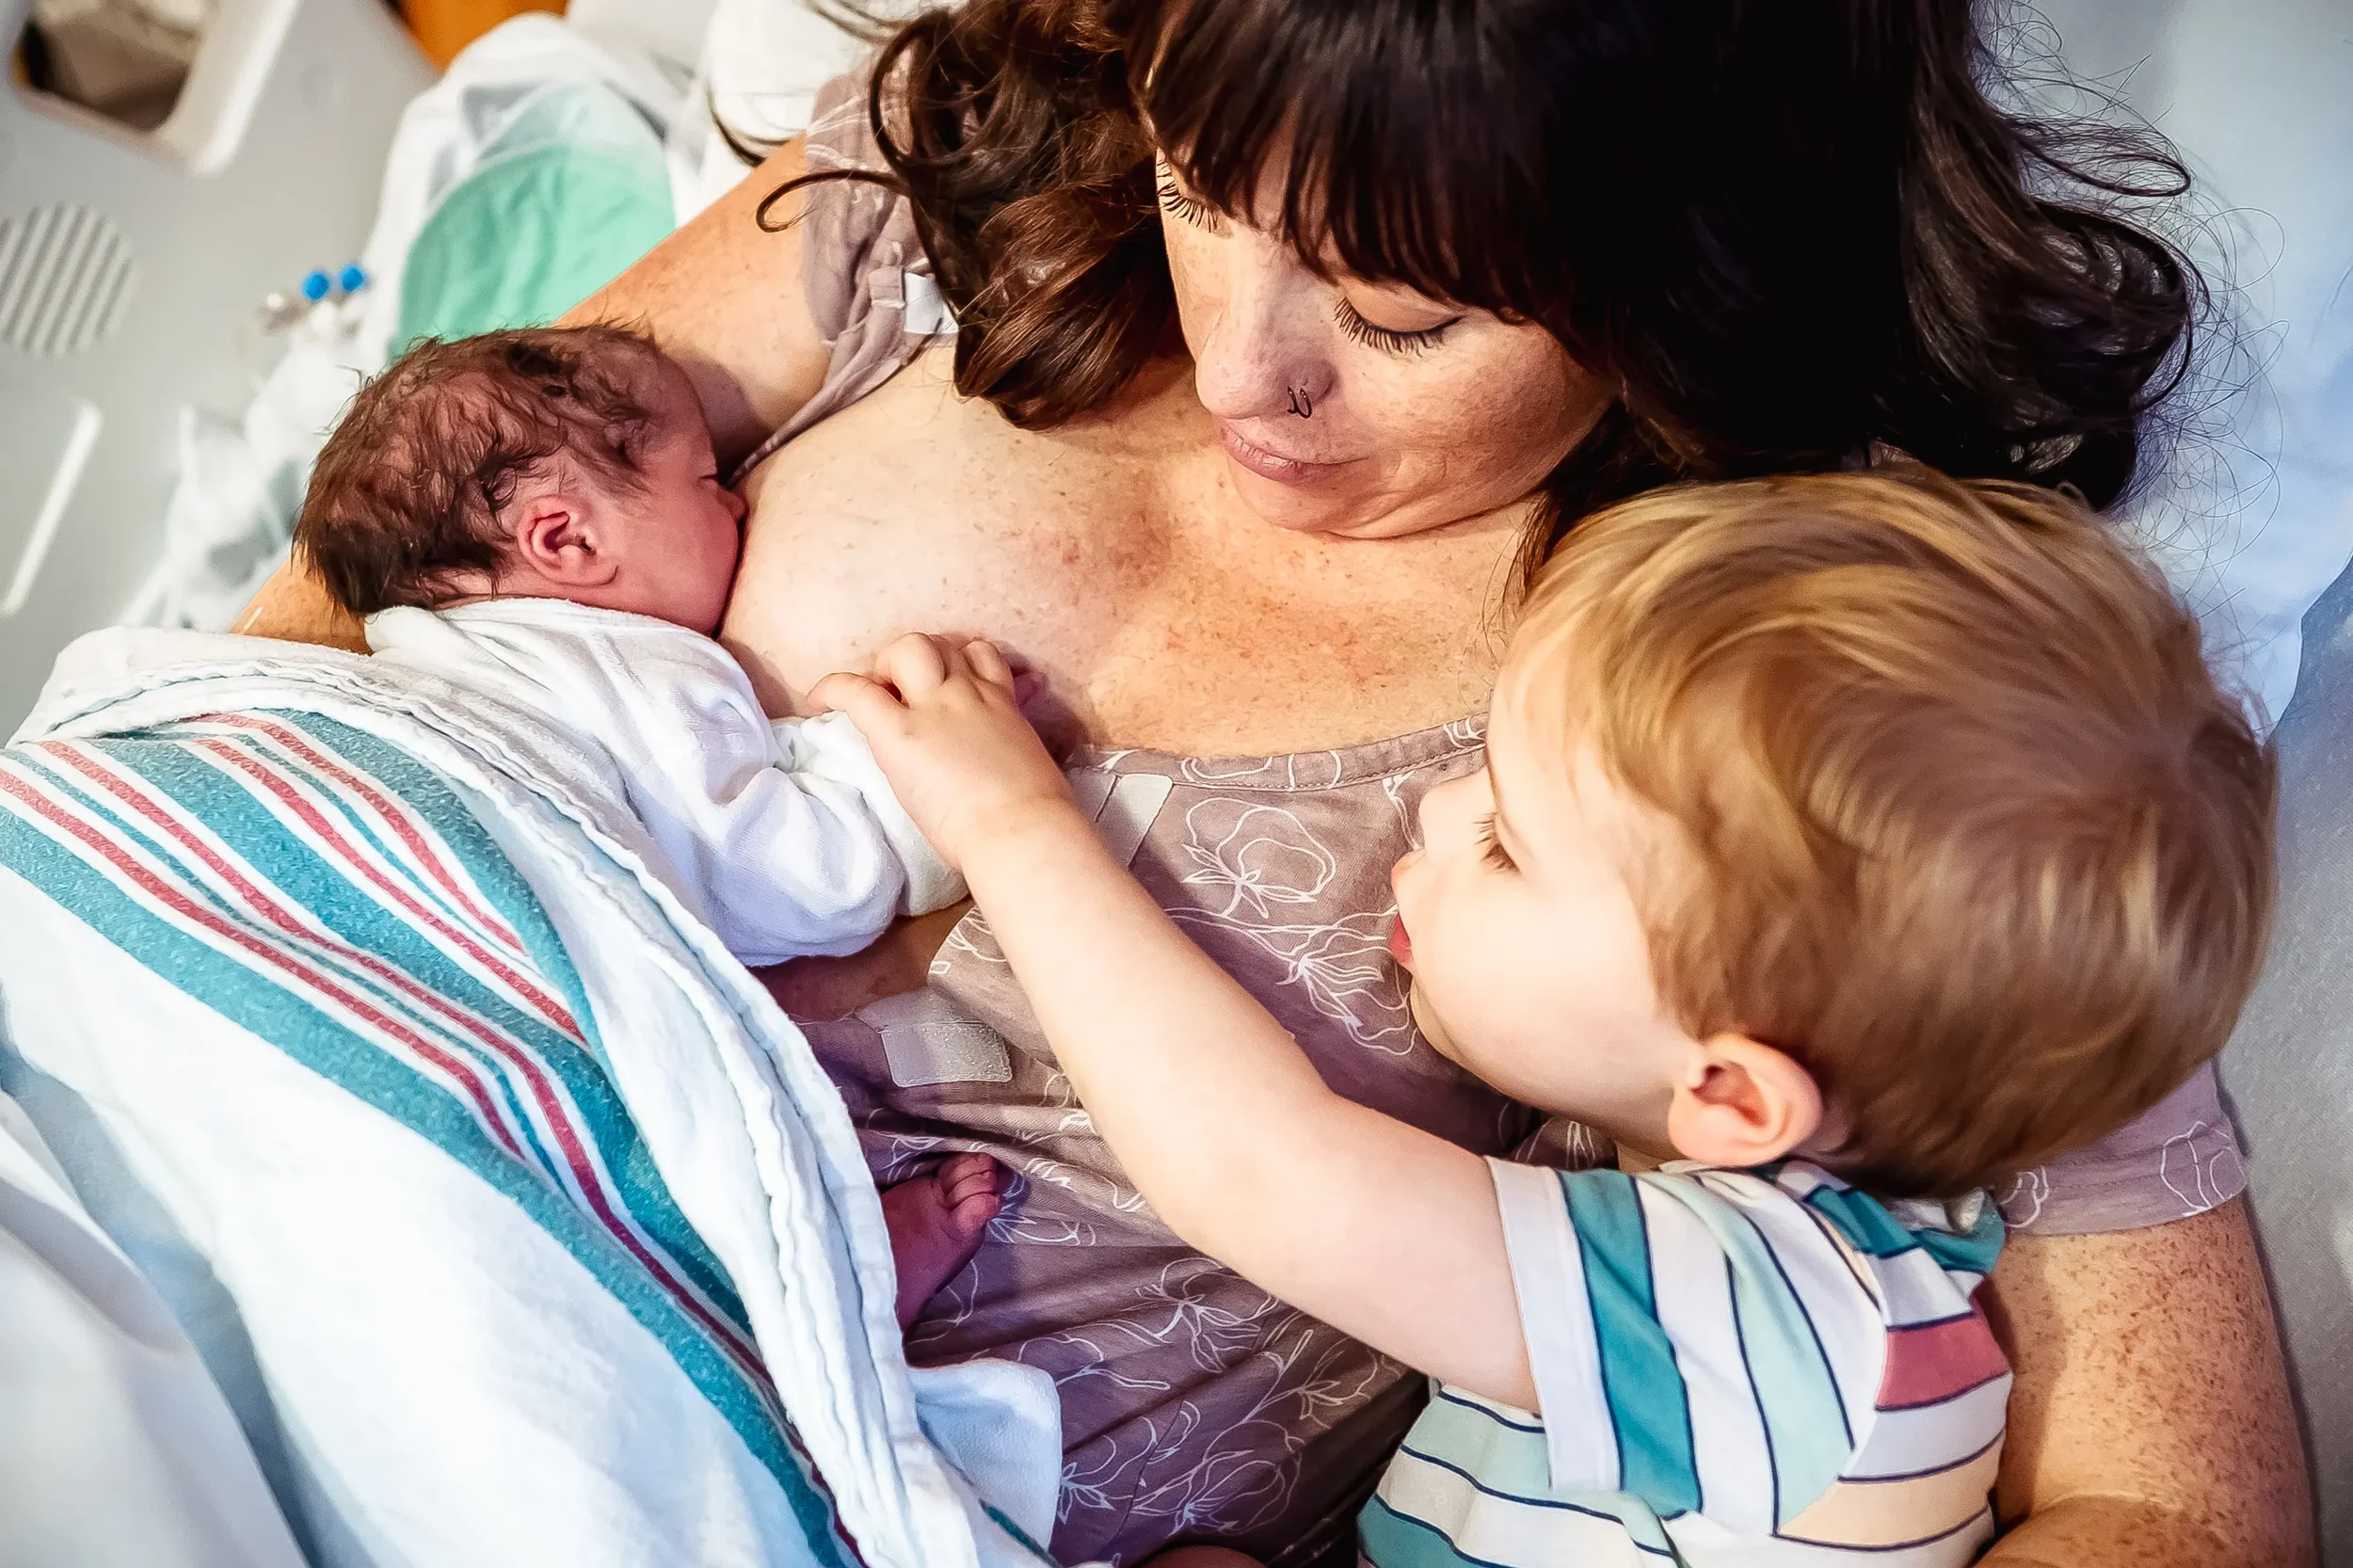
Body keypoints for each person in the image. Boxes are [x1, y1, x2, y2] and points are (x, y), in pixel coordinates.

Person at [236, 0, 2315, 1560]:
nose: (1246, 370)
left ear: (1689, 250)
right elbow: (346, 611)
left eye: (1402, 315)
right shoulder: (951, 184)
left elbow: (2163, 1502)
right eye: (1200, 188)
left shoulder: (1842, 665)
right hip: (357, 1195)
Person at [821, 469, 2278, 1566]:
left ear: (1732, 1094)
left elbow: (1260, 1171)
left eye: (1508, 842)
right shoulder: (1869, 1289)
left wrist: (1008, 818)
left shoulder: (1757, 1307)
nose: (1436, 809)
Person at [293, 323, 1006, 1321]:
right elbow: (797, 883)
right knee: (661, 1141)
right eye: (708, 478)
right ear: (568, 541)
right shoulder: (620, 667)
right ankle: (822, 1275)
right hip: (530, 995)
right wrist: (925, 758)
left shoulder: (438, 664)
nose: (737, 498)